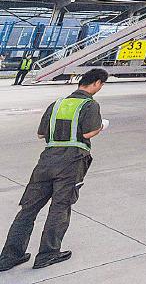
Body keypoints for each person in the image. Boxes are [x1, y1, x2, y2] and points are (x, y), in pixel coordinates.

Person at [0, 68, 109, 272]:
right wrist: (101, 126)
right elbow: (88, 132)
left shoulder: (57, 104)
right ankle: (48, 254)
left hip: (46, 161)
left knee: (28, 209)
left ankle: (9, 256)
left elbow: (41, 134)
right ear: (96, 83)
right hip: (72, 162)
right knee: (60, 207)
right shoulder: (90, 104)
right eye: (101, 84)